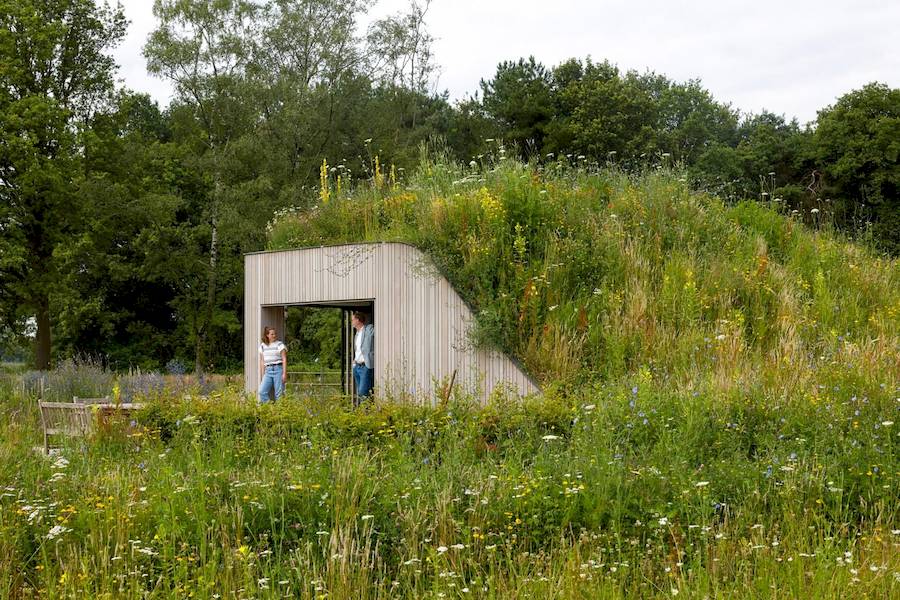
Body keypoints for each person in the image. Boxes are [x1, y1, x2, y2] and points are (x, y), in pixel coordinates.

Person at [258, 326, 287, 403]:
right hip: (268, 371)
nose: (274, 335)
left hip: (278, 370)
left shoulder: (280, 344)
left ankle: (279, 413)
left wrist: (284, 373)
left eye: (275, 334)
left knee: (279, 394)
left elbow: (284, 359)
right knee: (261, 391)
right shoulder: (262, 346)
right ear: (267, 335)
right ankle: (271, 410)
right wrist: (262, 375)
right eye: (272, 334)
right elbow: (262, 361)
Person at [351, 311, 374, 404]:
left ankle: (365, 413)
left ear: (358, 320)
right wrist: (354, 362)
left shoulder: (368, 329)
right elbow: (358, 350)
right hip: (357, 366)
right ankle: (365, 412)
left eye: (352, 320)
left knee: (363, 392)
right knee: (361, 392)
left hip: (365, 366)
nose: (351, 322)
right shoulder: (357, 334)